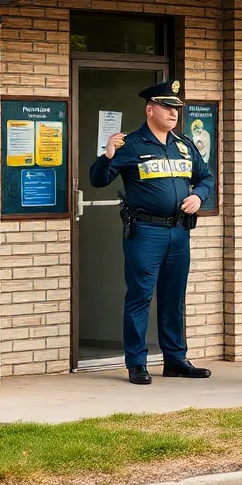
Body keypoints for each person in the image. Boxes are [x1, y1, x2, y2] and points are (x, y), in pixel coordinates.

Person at [90, 79, 214, 385]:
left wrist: (198, 196)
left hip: (179, 233)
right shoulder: (130, 144)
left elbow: (207, 177)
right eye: (167, 107)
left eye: (176, 109)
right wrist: (107, 154)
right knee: (140, 297)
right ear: (150, 110)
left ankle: (175, 359)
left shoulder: (184, 145)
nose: (173, 113)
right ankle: (136, 362)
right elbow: (98, 180)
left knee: (174, 298)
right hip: (145, 232)